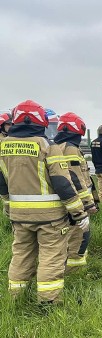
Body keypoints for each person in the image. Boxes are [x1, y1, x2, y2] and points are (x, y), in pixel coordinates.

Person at [0, 100, 89, 304]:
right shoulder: (48, 147)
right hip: (50, 218)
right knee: (51, 256)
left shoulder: (2, 147)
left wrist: (8, 206)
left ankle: (16, 298)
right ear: (41, 121)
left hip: (19, 216)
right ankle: (48, 302)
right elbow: (63, 183)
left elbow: (2, 184)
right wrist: (79, 213)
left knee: (21, 254)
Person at [55, 112, 98, 272]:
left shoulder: (58, 147)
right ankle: (74, 273)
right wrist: (88, 204)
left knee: (67, 236)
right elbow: (76, 179)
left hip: (65, 202)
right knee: (80, 236)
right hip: (77, 204)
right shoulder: (70, 150)